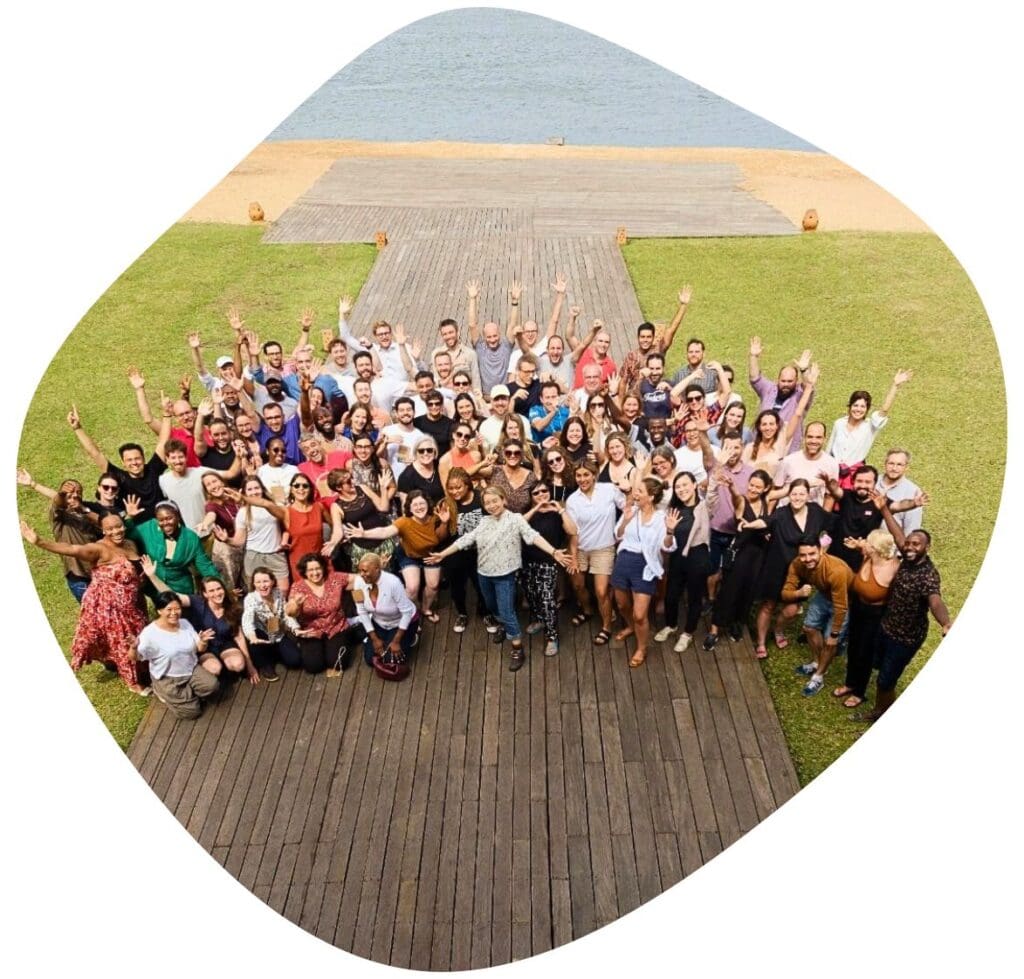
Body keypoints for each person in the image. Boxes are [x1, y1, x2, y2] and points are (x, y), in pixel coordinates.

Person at [426, 486, 572, 671]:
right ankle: (503, 624)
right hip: (484, 575)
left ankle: (517, 648)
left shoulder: (515, 520)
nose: (491, 505)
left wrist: (553, 551)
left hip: (505, 577)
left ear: (503, 500)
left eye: (495, 500)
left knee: (507, 611)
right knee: (492, 607)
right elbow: (465, 539)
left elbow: (533, 536)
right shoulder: (484, 522)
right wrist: (442, 555)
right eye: (487, 502)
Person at [20, 514, 150, 693]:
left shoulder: (129, 544)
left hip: (133, 604)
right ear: (103, 531)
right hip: (110, 609)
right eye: (110, 528)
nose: (116, 531)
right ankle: (134, 683)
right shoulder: (99, 549)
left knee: (141, 636)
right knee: (123, 643)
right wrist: (39, 541)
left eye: (118, 526)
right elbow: (71, 548)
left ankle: (144, 667)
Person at [859, 498, 953, 722]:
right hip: (886, 627)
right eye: (909, 543)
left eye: (916, 544)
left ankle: (881, 713)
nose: (910, 547)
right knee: (878, 667)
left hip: (905, 639)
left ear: (926, 548)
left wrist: (946, 623)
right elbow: (897, 532)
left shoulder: (928, 575)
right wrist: (883, 508)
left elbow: (935, 602)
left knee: (885, 681)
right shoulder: (908, 556)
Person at [140, 558, 261, 684]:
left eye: (219, 589)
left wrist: (250, 665)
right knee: (214, 668)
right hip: (204, 647)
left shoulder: (232, 607)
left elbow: (239, 636)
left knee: (238, 665)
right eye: (211, 591)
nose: (217, 593)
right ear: (205, 594)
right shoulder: (197, 602)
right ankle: (215, 671)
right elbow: (172, 595)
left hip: (225, 644)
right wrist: (152, 576)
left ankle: (227, 668)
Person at [751, 478, 829, 659]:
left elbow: (830, 528)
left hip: (800, 571)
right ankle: (761, 642)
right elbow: (764, 522)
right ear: (788, 494)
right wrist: (748, 525)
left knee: (792, 609)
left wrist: (823, 549)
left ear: (808, 495)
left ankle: (778, 630)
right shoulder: (781, 513)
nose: (797, 497)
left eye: (802, 494)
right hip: (775, 567)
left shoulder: (816, 511)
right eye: (794, 493)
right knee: (768, 605)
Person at [344, 491, 451, 622]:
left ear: (428, 504)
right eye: (415, 505)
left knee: (433, 585)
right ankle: (410, 612)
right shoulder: (404, 522)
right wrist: (364, 533)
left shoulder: (436, 518)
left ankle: (426, 608)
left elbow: (441, 538)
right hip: (409, 555)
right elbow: (384, 531)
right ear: (409, 508)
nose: (419, 507)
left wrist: (445, 523)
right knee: (412, 588)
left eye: (421, 503)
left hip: (430, 555)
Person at [610, 478, 679, 668]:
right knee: (622, 604)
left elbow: (669, 547)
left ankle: (641, 648)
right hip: (624, 561)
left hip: (645, 565)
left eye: (639, 491)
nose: (635, 494)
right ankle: (630, 626)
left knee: (640, 614)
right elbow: (618, 535)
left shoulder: (661, 518)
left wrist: (671, 531)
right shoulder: (631, 511)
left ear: (651, 496)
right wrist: (625, 519)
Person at [830, 530, 900, 709]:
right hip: (858, 609)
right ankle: (850, 683)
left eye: (868, 542)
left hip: (875, 615)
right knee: (853, 647)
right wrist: (856, 545)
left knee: (865, 653)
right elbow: (860, 545)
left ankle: (859, 692)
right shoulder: (868, 556)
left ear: (875, 548)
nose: (864, 543)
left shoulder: (893, 568)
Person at [704, 469, 773, 650]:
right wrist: (733, 486)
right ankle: (714, 630)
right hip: (739, 554)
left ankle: (737, 623)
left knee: (747, 593)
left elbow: (787, 491)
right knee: (728, 592)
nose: (754, 489)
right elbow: (735, 497)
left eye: (759, 487)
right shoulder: (742, 500)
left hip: (758, 557)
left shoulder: (767, 502)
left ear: (765, 488)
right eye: (751, 485)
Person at [227, 473, 337, 584]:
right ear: (292, 489)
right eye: (297, 486)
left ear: (310, 488)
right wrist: (243, 498)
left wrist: (333, 542)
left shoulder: (319, 507)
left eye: (305, 486)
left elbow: (335, 526)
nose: (301, 489)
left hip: (321, 560)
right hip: (300, 562)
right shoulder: (286, 512)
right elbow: (265, 503)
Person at [780, 536, 855, 696]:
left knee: (830, 640)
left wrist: (834, 634)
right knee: (809, 627)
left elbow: (841, 606)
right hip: (823, 594)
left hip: (844, 600)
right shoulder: (797, 564)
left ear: (821, 550)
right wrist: (798, 593)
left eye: (812, 553)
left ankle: (819, 677)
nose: (807, 559)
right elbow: (785, 594)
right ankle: (817, 662)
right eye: (803, 555)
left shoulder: (836, 570)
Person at [130, 592, 220, 718]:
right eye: (169, 609)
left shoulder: (184, 623)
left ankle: (187, 694)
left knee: (212, 686)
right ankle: (160, 690)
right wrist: (133, 647)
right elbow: (135, 657)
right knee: (193, 713)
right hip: (168, 677)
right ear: (159, 610)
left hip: (190, 669)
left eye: (177, 608)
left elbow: (199, 648)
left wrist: (203, 641)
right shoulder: (149, 634)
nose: (174, 613)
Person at [16, 471, 103, 602]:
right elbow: (57, 501)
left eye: (78, 492)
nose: (74, 495)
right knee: (96, 616)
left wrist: (84, 510)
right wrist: (36, 485)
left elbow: (106, 525)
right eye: (69, 493)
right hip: (79, 576)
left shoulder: (88, 513)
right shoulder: (59, 517)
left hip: (100, 572)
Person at [565, 461, 625, 646]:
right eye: (579, 476)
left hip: (604, 547)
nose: (582, 479)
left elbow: (627, 507)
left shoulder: (608, 490)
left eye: (586, 475)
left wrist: (619, 530)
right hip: (581, 547)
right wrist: (574, 558)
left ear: (594, 475)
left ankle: (607, 626)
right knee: (577, 585)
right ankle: (588, 610)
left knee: (601, 591)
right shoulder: (573, 500)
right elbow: (573, 533)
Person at [655, 472, 713, 653]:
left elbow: (713, 493)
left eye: (685, 485)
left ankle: (688, 632)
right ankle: (671, 625)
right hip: (677, 557)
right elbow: (666, 544)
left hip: (698, 556)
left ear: (695, 485)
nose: (681, 490)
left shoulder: (704, 506)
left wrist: (717, 470)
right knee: (671, 595)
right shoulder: (673, 509)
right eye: (677, 487)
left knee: (694, 597)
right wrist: (670, 531)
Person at [826, 370, 913, 487]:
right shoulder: (839, 423)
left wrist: (895, 385)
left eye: (863, 406)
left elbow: (884, 411)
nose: (858, 409)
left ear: (867, 409)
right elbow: (829, 449)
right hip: (833, 473)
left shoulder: (870, 426)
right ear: (850, 406)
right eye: (855, 405)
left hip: (855, 477)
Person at [521, 481, 578, 657]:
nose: (541, 495)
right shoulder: (527, 512)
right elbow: (517, 526)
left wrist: (560, 510)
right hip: (527, 561)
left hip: (548, 562)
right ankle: (539, 620)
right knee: (531, 595)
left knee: (546, 599)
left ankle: (552, 636)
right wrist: (536, 508)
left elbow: (573, 530)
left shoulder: (557, 513)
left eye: (544, 491)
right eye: (536, 493)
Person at [284, 553, 364, 675]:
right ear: (304, 572)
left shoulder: (335, 578)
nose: (315, 573)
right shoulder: (298, 587)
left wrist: (375, 571)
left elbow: (359, 579)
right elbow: (290, 612)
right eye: (310, 570)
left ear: (323, 568)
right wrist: (295, 603)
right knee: (313, 667)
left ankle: (348, 637)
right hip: (311, 631)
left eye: (318, 568)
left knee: (338, 663)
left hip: (336, 627)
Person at [125, 500, 220, 597]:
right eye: (161, 520)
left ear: (178, 517)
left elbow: (206, 567)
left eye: (169, 518)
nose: (165, 523)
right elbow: (126, 534)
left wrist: (218, 587)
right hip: (155, 588)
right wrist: (129, 517)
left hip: (181, 589)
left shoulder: (190, 538)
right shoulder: (148, 528)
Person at [352, 553, 420, 669]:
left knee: (392, 660)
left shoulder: (393, 583)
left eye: (365, 571)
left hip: (402, 622)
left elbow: (407, 612)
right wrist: (374, 638)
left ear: (377, 569)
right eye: (360, 571)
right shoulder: (358, 582)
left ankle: (411, 637)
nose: (362, 575)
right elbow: (361, 611)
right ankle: (383, 637)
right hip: (379, 622)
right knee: (370, 659)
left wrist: (397, 641)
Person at [747, 337, 815, 453]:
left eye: (790, 381)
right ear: (778, 380)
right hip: (761, 446)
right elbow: (755, 378)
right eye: (783, 381)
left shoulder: (800, 395)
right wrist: (753, 357)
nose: (786, 385)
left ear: (796, 381)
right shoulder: (769, 389)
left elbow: (808, 387)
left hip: (786, 449)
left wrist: (804, 371)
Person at [227, 476, 290, 594]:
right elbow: (239, 540)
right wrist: (226, 539)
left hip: (275, 554)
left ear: (262, 489)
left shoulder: (273, 505)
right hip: (254, 556)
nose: (254, 491)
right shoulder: (243, 512)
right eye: (249, 489)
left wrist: (284, 539)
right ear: (244, 492)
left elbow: (286, 524)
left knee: (283, 590)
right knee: (258, 593)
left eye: (257, 488)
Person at [326, 466, 394, 571]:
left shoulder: (363, 488)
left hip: (382, 541)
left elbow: (383, 508)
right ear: (339, 488)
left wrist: (383, 488)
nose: (353, 482)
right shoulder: (336, 507)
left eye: (352, 478)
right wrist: (334, 542)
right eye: (348, 481)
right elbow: (338, 530)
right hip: (363, 548)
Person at [241, 567, 303, 680]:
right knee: (255, 643)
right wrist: (252, 636)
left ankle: (275, 652)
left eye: (265, 581)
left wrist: (295, 628)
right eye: (258, 582)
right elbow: (247, 620)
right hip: (261, 636)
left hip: (278, 634)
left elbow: (286, 614)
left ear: (272, 581)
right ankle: (265, 664)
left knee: (295, 661)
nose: (262, 585)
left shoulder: (278, 593)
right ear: (254, 584)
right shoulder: (250, 599)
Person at [771, 419, 839, 508]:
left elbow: (829, 496)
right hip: (786, 513)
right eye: (810, 437)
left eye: (818, 437)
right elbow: (776, 489)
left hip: (813, 515)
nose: (813, 441)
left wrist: (824, 519)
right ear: (804, 437)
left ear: (824, 439)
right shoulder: (789, 460)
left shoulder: (832, 464)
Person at [196, 471, 244, 592]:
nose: (213, 486)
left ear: (222, 481)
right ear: (206, 490)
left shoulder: (235, 494)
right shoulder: (211, 505)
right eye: (208, 484)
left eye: (214, 481)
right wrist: (205, 524)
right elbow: (211, 515)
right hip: (226, 550)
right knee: (230, 586)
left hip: (245, 544)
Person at [467, 279, 516, 394]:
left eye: (495, 336)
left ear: (500, 334)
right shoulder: (480, 347)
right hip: (486, 397)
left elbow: (512, 324)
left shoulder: (506, 345)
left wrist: (515, 302)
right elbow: (472, 325)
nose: (492, 339)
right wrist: (473, 299)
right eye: (489, 337)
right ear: (484, 338)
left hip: (505, 395)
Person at [876, 447, 925, 535]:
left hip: (891, 546)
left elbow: (911, 528)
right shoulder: (872, 482)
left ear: (906, 467)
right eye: (891, 463)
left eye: (899, 465)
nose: (894, 468)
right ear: (885, 464)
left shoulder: (913, 492)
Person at [488, 439, 538, 513]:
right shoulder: (494, 470)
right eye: (508, 453)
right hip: (497, 521)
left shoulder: (531, 476)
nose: (512, 456)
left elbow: (535, 503)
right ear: (503, 454)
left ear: (522, 455)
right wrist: (483, 463)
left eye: (517, 453)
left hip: (522, 521)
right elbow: (466, 475)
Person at [397, 436, 445, 505]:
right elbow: (405, 508)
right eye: (421, 451)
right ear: (416, 453)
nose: (425, 453)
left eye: (429, 450)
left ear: (435, 451)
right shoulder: (406, 476)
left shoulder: (440, 466)